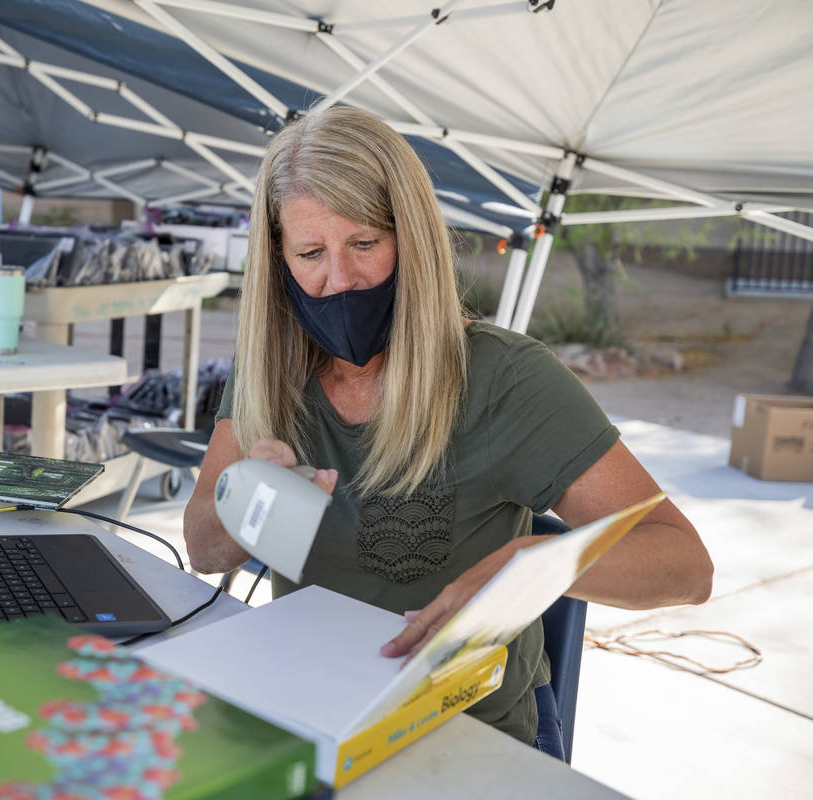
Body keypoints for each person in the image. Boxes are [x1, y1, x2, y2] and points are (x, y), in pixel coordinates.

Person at [182, 107, 714, 759]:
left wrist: (530, 562)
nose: (339, 279)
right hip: (313, 709)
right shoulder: (272, 369)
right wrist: (250, 495)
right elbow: (206, 550)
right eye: (310, 253)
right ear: (277, 258)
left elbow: (685, 566)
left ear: (412, 239)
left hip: (468, 733)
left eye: (365, 244)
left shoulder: (507, 380)